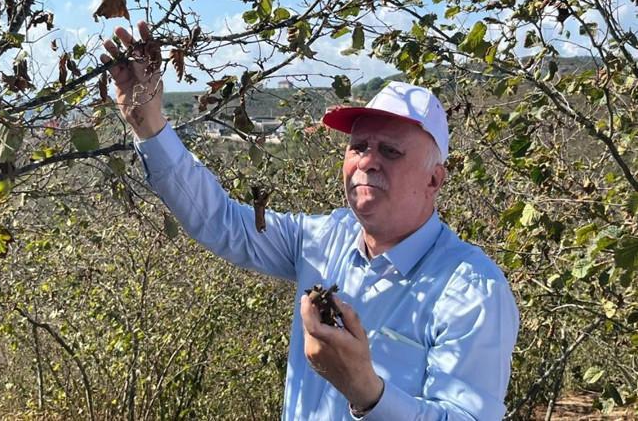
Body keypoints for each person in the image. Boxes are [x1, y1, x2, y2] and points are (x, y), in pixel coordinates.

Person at [101, 21, 519, 421]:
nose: (367, 161)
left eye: (390, 151)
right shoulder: (322, 240)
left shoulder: (470, 290)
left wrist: (367, 393)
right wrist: (148, 123)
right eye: (358, 146)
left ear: (434, 179)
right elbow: (219, 221)